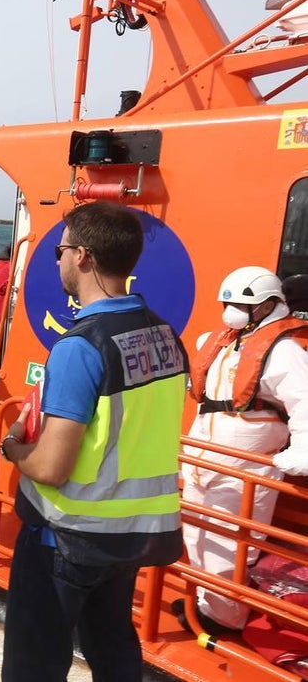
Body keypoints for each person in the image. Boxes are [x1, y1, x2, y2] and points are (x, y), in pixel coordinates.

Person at [0, 201, 188, 682]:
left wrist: (13, 447)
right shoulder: (167, 337)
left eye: (60, 250)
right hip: (132, 537)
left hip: (65, 537)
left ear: (82, 256)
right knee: (113, 651)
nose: (57, 260)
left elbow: (52, 467)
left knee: (33, 665)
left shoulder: (80, 346)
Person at [180, 266, 308, 633]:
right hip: (204, 458)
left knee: (230, 545)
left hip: (245, 468)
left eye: (241, 304)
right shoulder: (222, 341)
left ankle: (225, 617)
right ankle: (206, 604)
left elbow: (303, 401)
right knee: (196, 535)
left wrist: (303, 450)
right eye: (229, 302)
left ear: (269, 306)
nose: (231, 310)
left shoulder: (284, 351)